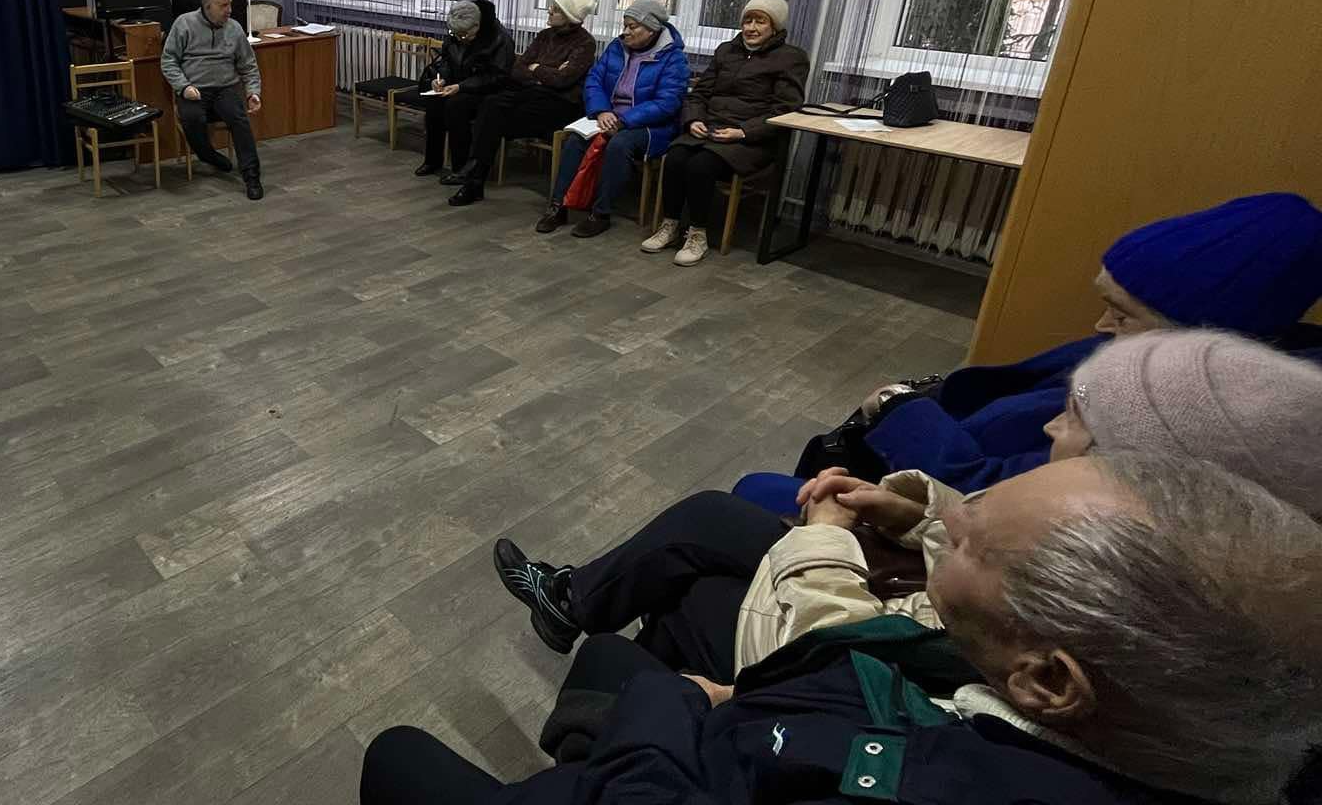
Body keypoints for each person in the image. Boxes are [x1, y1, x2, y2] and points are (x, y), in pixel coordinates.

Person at [373, 452, 1322, 805]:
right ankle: (584, 633)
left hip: (691, 756)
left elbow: (820, 670)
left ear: (1050, 678)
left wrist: (674, 708)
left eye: (976, 547)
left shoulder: (923, 769)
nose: (947, 536)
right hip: (743, 732)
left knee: (395, 752)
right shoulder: (1139, 717)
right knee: (634, 635)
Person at [490, 329, 1322, 683]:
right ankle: (604, 638)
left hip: (889, 660)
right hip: (909, 602)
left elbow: (910, 641)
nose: (1049, 425)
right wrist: (912, 513)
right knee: (713, 525)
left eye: (1074, 421)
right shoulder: (1124, 538)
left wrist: (823, 542)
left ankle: (636, 673)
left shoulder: (1112, 599)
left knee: (700, 576)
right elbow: (977, 538)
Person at [732, 191, 1322, 512]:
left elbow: (991, 493)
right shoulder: (1150, 363)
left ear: (1201, 341)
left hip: (943, 515)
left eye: (1121, 314)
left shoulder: (1176, 430)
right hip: (926, 462)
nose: (1098, 323)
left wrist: (895, 405)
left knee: (744, 497)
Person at [642, 0, 808, 265]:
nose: (751, 28)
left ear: (774, 27)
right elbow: (699, 94)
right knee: (676, 158)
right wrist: (693, 120)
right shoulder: (726, 51)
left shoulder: (792, 58)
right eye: (748, 20)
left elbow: (785, 110)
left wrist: (743, 132)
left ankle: (698, 234)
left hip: (751, 140)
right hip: (711, 129)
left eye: (760, 22)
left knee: (701, 166)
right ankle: (670, 225)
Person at [534, 0, 690, 238]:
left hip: (650, 126)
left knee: (619, 144)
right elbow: (594, 80)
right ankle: (558, 206)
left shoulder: (674, 58)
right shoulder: (617, 47)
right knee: (575, 140)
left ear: (651, 29)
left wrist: (624, 121)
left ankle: (600, 213)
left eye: (632, 26)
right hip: (609, 115)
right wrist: (602, 110)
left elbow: (667, 102)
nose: (625, 32)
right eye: (625, 25)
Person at [443, 0, 598, 206]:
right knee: (491, 105)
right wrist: (546, 73)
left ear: (571, 16)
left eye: (556, 9)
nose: (549, 11)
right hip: (531, 93)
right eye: (551, 7)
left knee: (492, 115)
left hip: (560, 105)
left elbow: (563, 81)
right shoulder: (545, 35)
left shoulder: (586, 43)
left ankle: (473, 179)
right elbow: (517, 69)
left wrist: (537, 68)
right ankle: (473, 179)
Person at [161, 0, 264, 200]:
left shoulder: (234, 28)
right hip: (194, 89)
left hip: (225, 88)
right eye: (223, 5)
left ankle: (252, 176)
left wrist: (253, 92)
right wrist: (183, 86)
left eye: (230, 4)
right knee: (192, 118)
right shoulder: (184, 24)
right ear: (207, 6)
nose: (229, 10)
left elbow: (248, 64)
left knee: (239, 120)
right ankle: (208, 155)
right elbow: (168, 61)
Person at [415, 0, 515, 181]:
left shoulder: (500, 40)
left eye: (465, 35)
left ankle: (461, 169)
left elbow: (497, 77)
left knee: (455, 106)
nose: (460, 38)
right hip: (458, 87)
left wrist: (462, 86)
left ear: (477, 25)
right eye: (456, 34)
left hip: (488, 93)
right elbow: (446, 61)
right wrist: (440, 79)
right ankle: (432, 160)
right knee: (434, 102)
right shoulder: (456, 33)